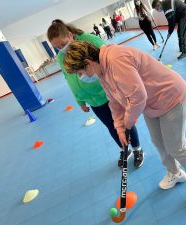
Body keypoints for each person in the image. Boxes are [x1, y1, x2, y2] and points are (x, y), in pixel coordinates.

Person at [63, 41, 186, 202]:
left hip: (170, 96)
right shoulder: (102, 71)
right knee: (158, 141)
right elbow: (113, 101)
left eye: (80, 72)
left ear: (88, 63)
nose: (83, 76)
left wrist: (127, 123)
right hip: (152, 103)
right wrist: (119, 127)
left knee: (175, 146)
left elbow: (138, 97)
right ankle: (175, 173)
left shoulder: (115, 61)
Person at [47, 20, 144, 168]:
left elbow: (108, 61)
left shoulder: (89, 40)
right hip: (93, 100)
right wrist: (80, 100)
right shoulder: (62, 56)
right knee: (111, 127)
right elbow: (69, 78)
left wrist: (117, 87)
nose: (62, 49)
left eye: (63, 43)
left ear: (70, 35)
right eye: (57, 47)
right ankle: (125, 150)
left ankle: (137, 149)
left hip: (108, 92)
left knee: (124, 123)